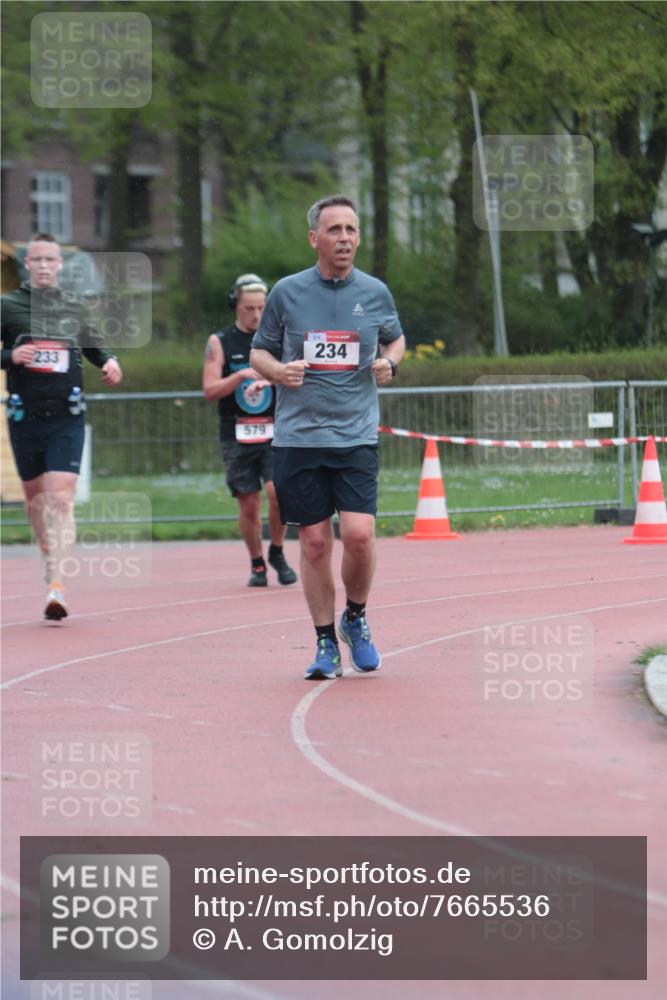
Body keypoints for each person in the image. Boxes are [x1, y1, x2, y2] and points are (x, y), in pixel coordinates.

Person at [250, 195, 405, 680]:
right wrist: (280, 371)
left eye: (352, 230)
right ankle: (324, 644)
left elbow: (395, 339)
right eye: (335, 230)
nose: (345, 239)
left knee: (358, 536)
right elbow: (259, 354)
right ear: (314, 238)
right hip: (298, 439)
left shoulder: (375, 292)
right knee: (315, 543)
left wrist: (390, 362)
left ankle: (355, 617)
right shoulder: (287, 293)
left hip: (355, 436)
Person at [1, 233, 122, 620]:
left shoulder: (75, 306)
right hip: (24, 416)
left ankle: (57, 585)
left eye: (49, 260)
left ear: (59, 265)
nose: (42, 266)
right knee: (36, 501)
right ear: (26, 264)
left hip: (67, 414)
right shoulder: (8, 306)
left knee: (61, 497)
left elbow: (93, 346)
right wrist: (10, 355)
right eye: (36, 260)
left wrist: (109, 362)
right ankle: (49, 557)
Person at [203, 273, 297, 588]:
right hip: (237, 432)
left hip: (274, 429)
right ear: (236, 306)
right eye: (248, 308)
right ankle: (257, 563)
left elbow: (294, 377)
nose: (256, 315)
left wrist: (271, 377)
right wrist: (240, 376)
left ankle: (278, 551)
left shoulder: (278, 340)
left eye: (261, 308)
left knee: (279, 492)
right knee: (249, 502)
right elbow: (210, 389)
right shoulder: (220, 342)